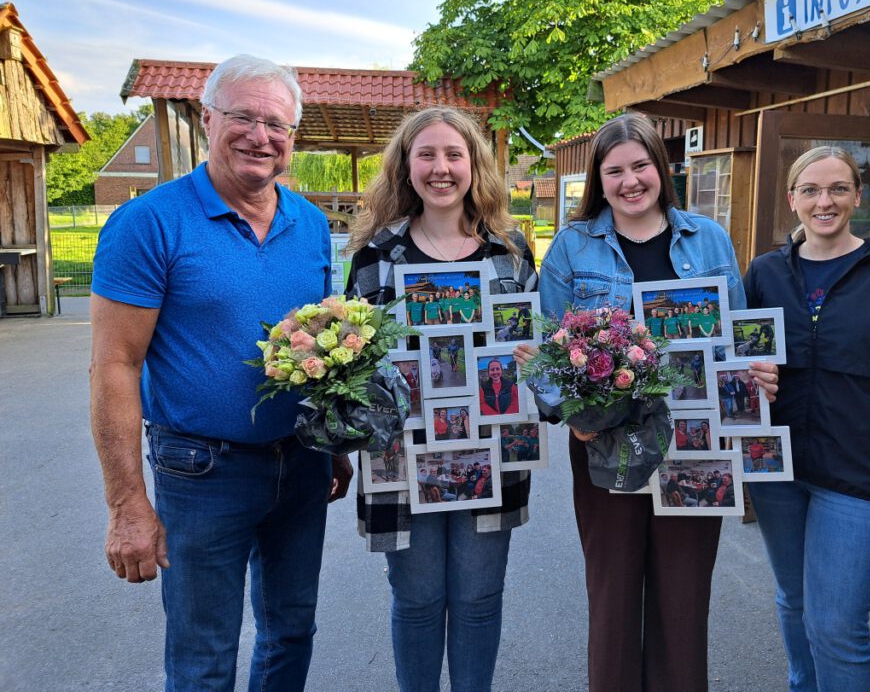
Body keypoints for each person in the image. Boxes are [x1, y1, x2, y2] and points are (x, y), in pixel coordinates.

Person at [89, 54, 350, 691]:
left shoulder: (311, 224)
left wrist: (333, 441)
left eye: (277, 125)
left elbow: (318, 344)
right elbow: (114, 366)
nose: (260, 136)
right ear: (208, 119)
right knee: (203, 655)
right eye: (243, 117)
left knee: (291, 632)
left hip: (301, 464)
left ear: (293, 138)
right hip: (201, 471)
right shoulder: (150, 223)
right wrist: (127, 503)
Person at [538, 112, 778, 692]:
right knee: (614, 594)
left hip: (696, 442)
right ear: (600, 178)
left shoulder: (709, 237)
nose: (630, 181)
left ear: (661, 169)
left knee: (683, 598)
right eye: (614, 170)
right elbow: (544, 347)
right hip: (608, 442)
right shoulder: (573, 246)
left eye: (640, 165)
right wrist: (573, 416)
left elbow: (739, 330)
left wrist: (756, 375)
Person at [743, 146, 870, 692]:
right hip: (778, 471)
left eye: (838, 188)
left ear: (858, 197)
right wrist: (752, 378)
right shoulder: (766, 272)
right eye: (810, 190)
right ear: (793, 201)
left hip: (859, 475)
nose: (824, 201)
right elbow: (737, 363)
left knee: (837, 627)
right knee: (793, 601)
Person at [345, 106, 538, 692]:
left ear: (474, 164)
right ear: (406, 166)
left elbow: (536, 344)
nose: (441, 168)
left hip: (491, 451)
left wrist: (533, 357)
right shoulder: (377, 255)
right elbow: (351, 359)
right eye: (426, 154)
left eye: (454, 154)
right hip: (402, 456)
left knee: (479, 599)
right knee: (418, 601)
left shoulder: (509, 251)